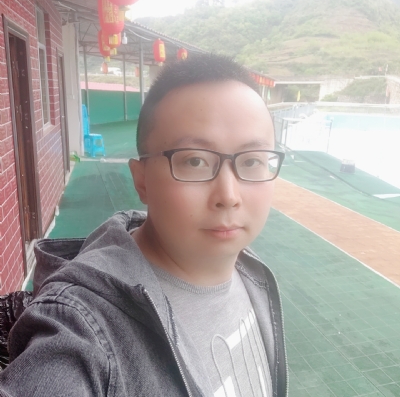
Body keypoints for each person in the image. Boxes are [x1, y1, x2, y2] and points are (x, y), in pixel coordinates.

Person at [0, 54, 287, 397]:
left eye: (252, 161)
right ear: (142, 180)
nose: (229, 196)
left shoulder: (251, 272)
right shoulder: (83, 323)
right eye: (195, 161)